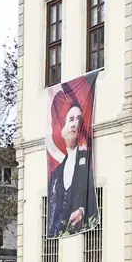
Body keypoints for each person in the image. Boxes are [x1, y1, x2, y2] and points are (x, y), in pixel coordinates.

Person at [46, 99, 99, 238]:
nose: (75, 123)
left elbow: (90, 192)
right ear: (62, 129)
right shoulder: (57, 173)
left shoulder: (87, 158)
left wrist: (82, 209)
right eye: (71, 119)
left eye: (79, 119)